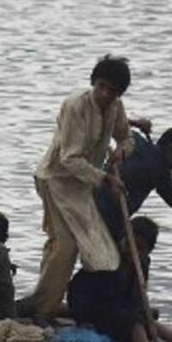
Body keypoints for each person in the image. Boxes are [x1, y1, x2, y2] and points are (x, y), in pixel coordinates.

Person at [25, 55, 151, 318]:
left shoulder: (116, 106)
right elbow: (69, 159)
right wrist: (105, 179)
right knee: (66, 246)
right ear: (94, 82)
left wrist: (121, 152)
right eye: (101, 86)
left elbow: (125, 136)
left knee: (77, 247)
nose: (105, 94)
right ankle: (43, 309)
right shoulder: (75, 106)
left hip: (81, 185)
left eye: (112, 91)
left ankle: (47, 299)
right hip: (56, 179)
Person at [67, 216, 172, 342]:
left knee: (151, 320)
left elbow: (136, 295)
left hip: (118, 308)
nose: (132, 251)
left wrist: (141, 309)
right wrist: (133, 313)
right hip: (95, 308)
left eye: (140, 249)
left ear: (148, 251)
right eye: (129, 244)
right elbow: (104, 301)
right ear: (123, 240)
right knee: (136, 322)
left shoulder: (143, 263)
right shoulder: (110, 261)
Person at [95, 124, 172, 242]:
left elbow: (119, 127)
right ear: (171, 148)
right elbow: (169, 192)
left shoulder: (137, 141)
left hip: (95, 195)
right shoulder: (159, 168)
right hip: (109, 213)